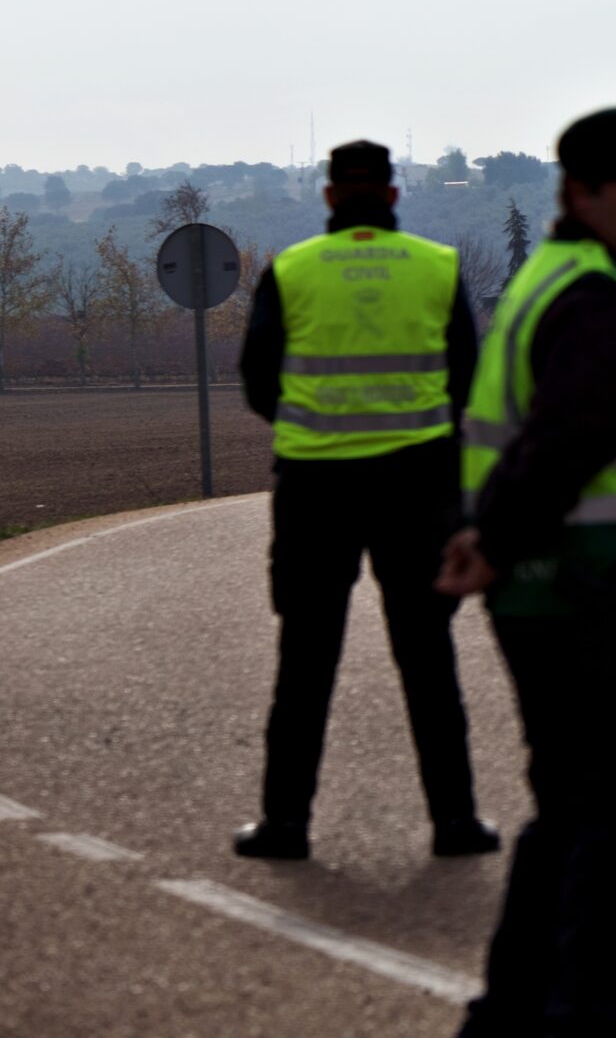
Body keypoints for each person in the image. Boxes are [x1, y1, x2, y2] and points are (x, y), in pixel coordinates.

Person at [437, 107, 616, 1038]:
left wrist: (491, 540)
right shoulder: (599, 299)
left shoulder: (554, 279)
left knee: (568, 811)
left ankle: (510, 1014)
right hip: (596, 596)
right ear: (582, 192)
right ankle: (587, 1016)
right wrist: (498, 535)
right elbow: (569, 434)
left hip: (548, 591)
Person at [235, 139, 498, 860]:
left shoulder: (290, 270)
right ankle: (455, 822)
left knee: (306, 656)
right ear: (392, 195)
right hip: (417, 485)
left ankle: (286, 824)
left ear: (328, 197)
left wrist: (315, 425)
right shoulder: (437, 267)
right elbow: (467, 376)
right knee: (427, 653)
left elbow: (258, 379)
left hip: (315, 487)